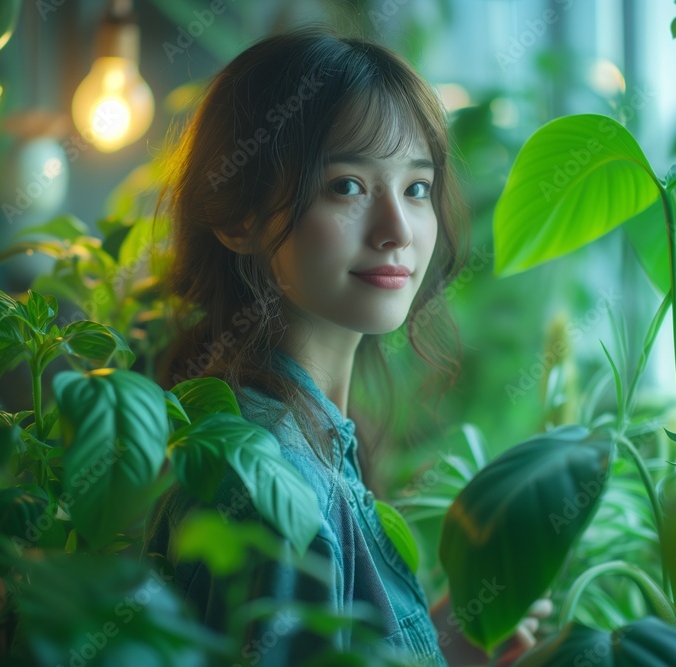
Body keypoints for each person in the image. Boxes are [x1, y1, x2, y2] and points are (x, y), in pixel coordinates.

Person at [148, 26, 551, 666]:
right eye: (348, 186)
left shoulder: (305, 439)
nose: (398, 231)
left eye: (416, 188)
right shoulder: (270, 483)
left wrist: (441, 646)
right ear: (238, 218)